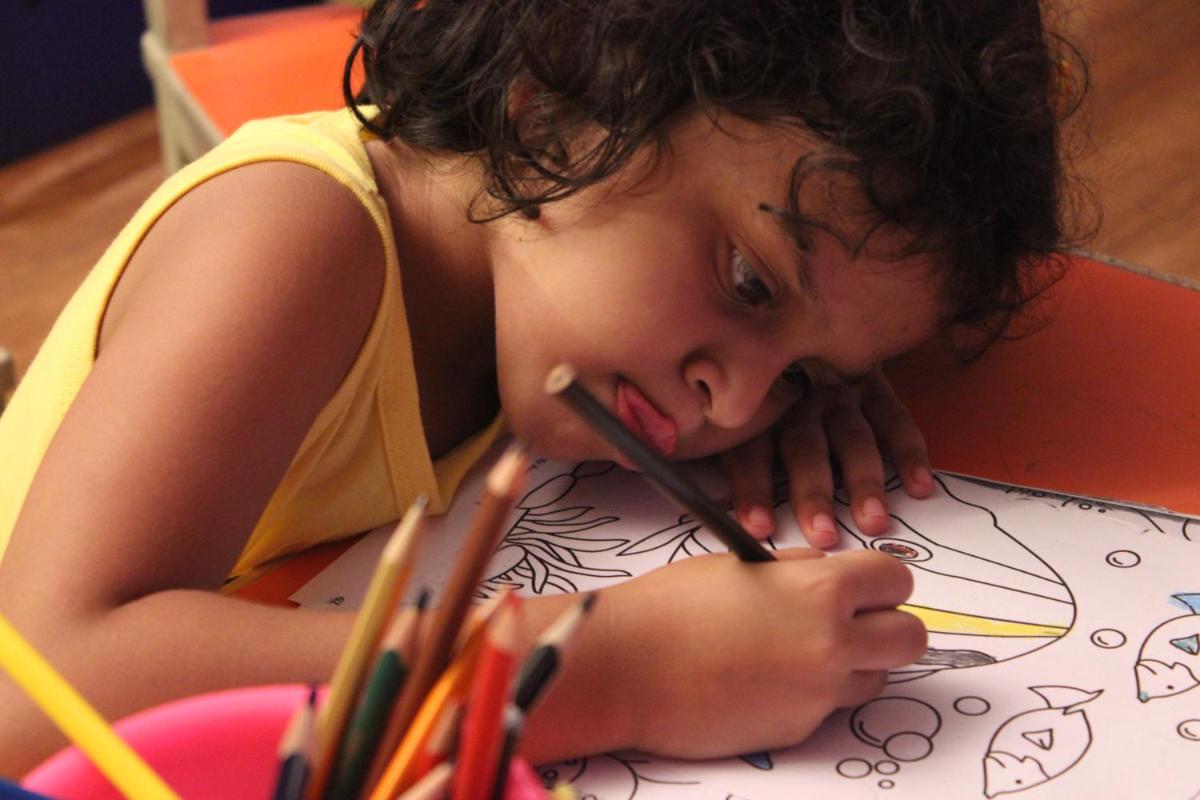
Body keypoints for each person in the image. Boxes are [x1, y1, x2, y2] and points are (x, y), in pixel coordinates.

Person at [0, 0, 1085, 776]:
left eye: (801, 375)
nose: (732, 402)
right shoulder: (292, 237)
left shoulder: (543, 301)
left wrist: (816, 372)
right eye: (751, 282)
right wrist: (615, 671)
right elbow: (36, 684)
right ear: (557, 106)